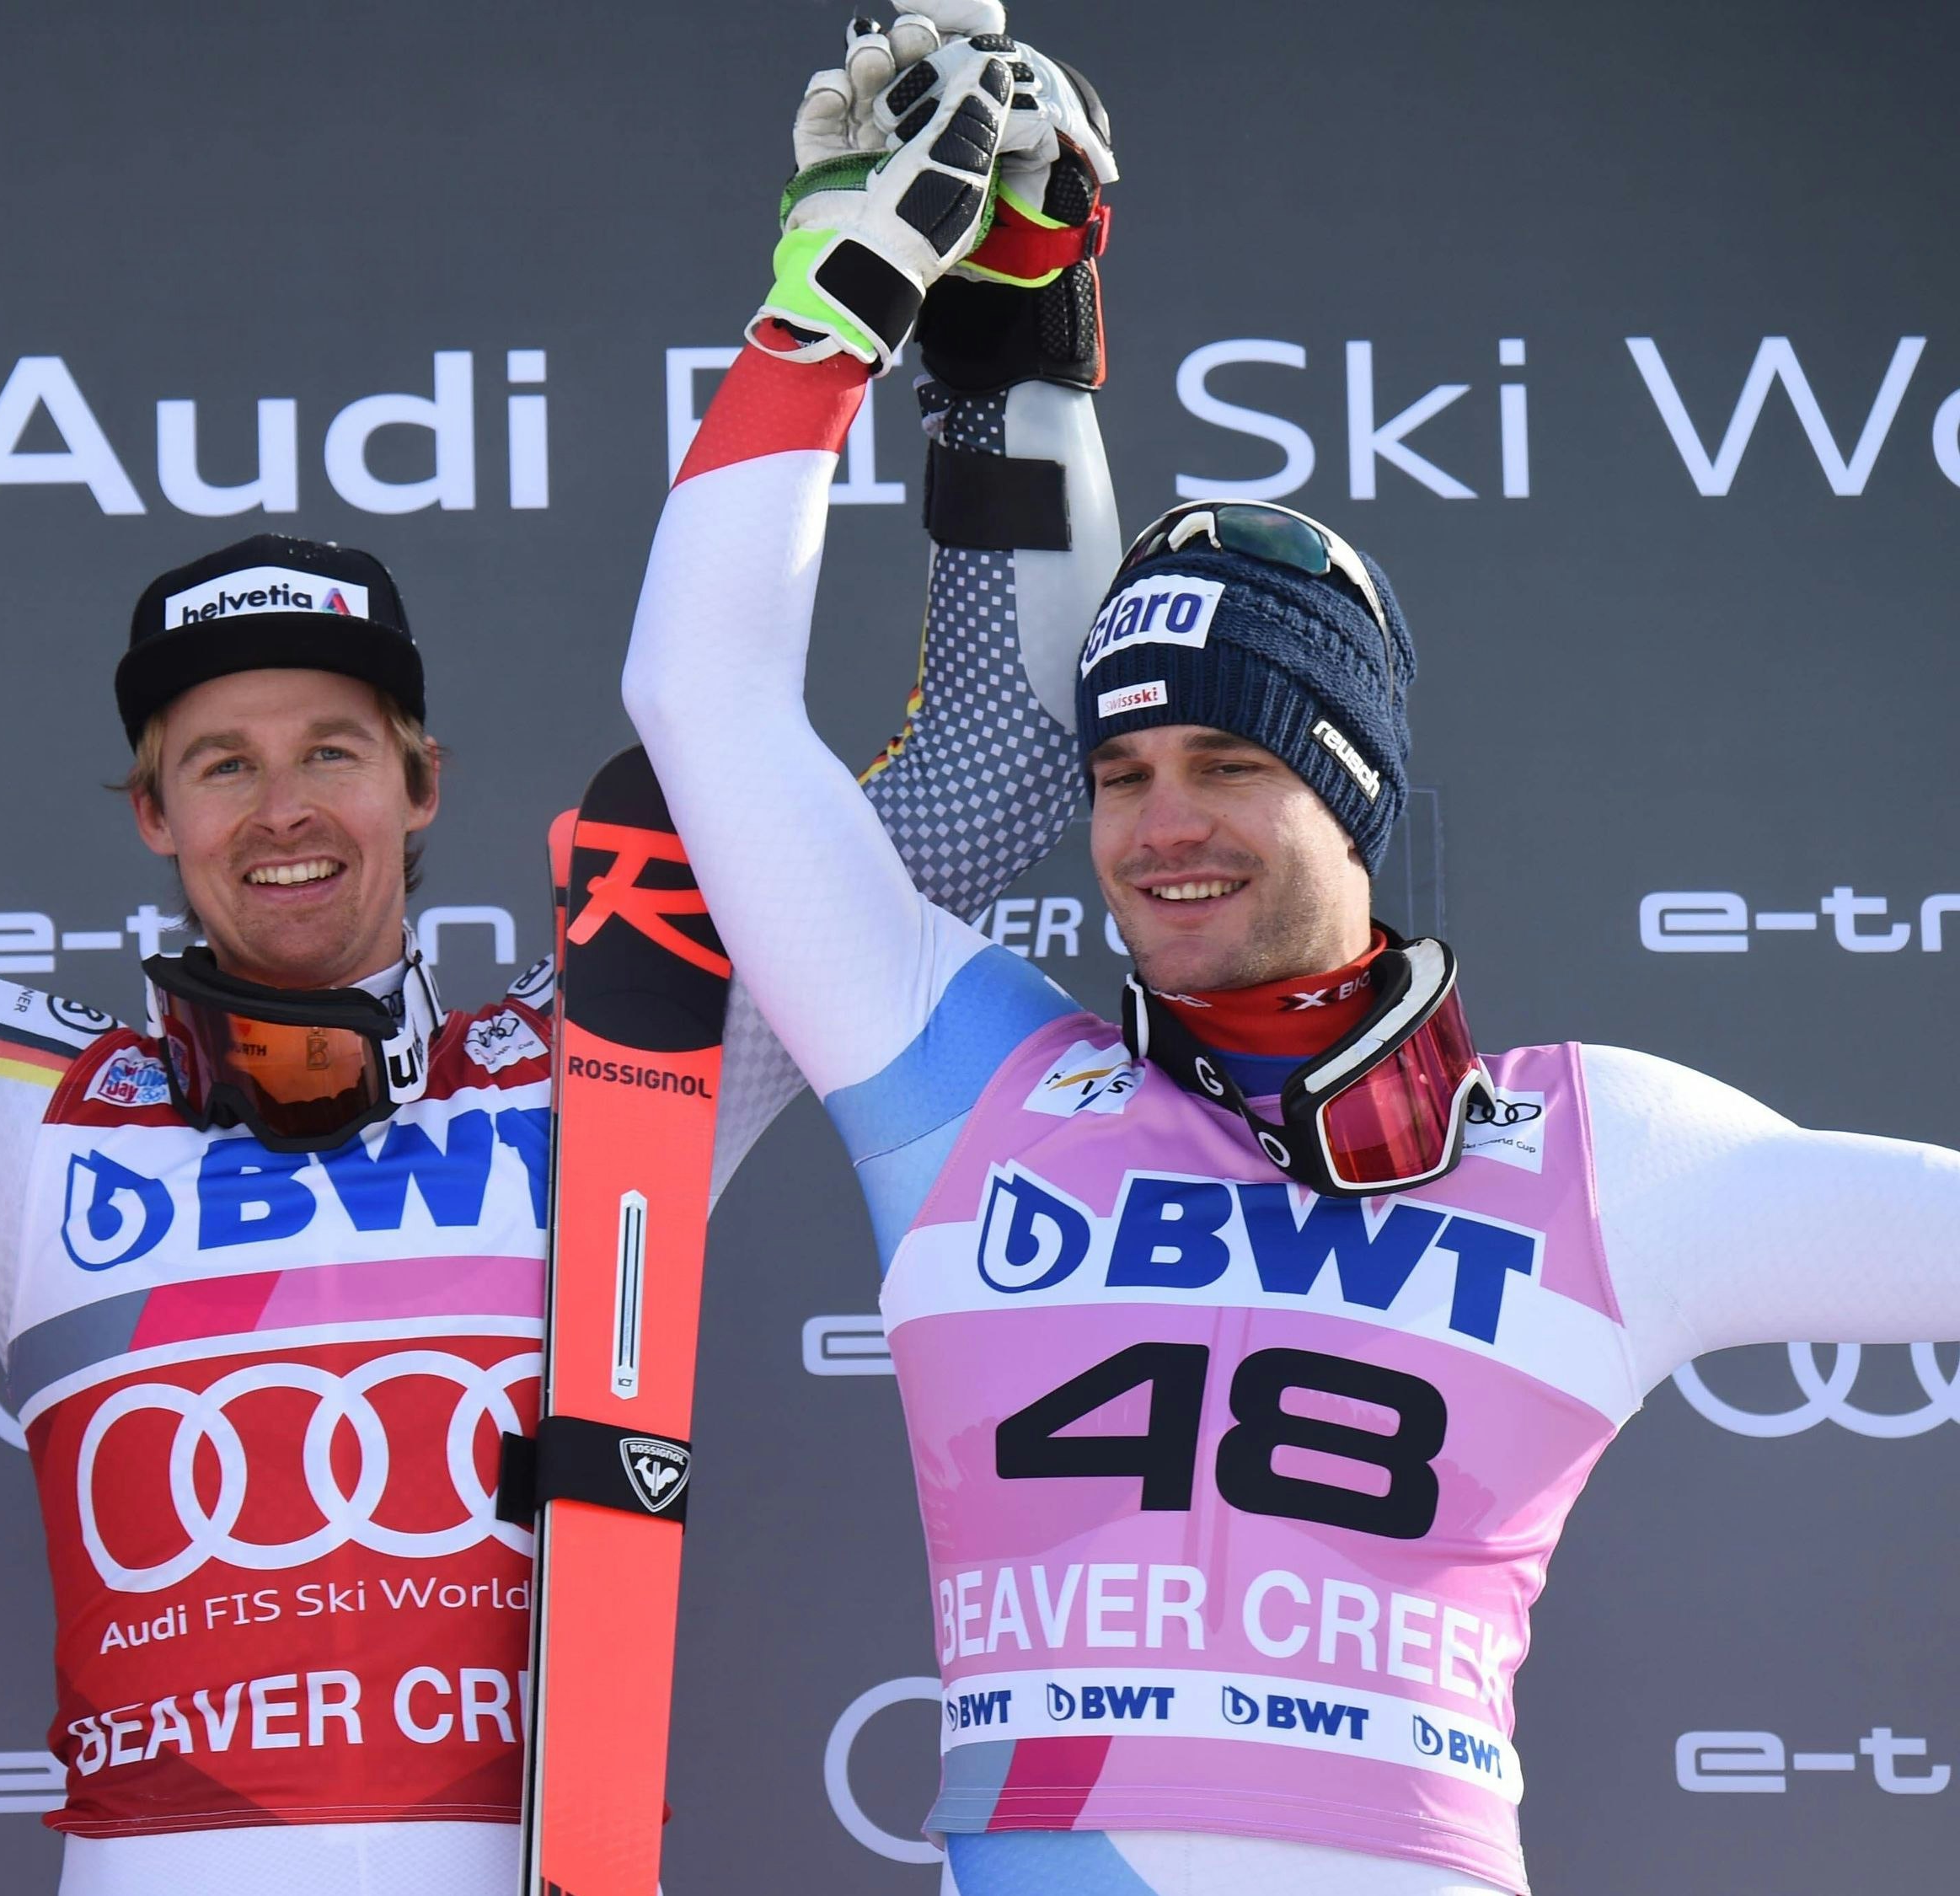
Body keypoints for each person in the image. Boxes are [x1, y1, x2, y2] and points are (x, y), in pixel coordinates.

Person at [0, 199, 1109, 1888]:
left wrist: (1005, 350)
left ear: (420, 782)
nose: (281, 808)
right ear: (151, 812)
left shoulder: (618, 1051)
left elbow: (997, 776)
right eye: (219, 763)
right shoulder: (31, 1117)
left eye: (331, 749)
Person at [624, 26, 1960, 1896]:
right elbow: (698, 698)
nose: (1161, 822)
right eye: (1121, 771)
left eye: (1231, 765)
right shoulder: (967, 1088)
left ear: (1353, 797)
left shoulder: (1594, 1156)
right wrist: (846, 302)